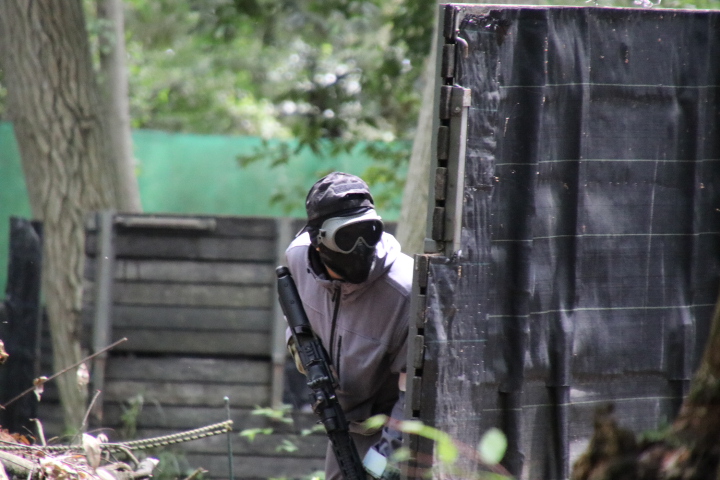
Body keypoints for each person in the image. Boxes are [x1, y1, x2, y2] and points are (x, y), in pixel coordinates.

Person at [285, 172, 413, 480]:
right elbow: (294, 311)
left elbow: (414, 396)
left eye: (369, 232)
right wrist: (299, 349)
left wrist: (382, 465)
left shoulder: (406, 292)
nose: (360, 246)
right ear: (317, 241)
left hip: (399, 432)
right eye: (346, 236)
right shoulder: (298, 258)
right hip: (344, 426)